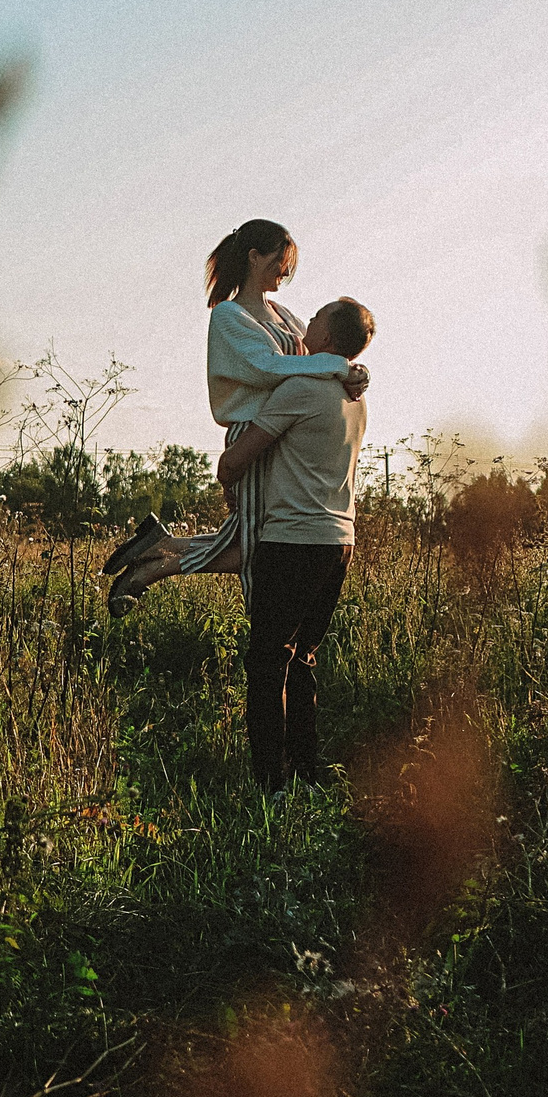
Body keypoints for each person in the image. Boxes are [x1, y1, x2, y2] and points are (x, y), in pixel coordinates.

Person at [108, 295, 375, 789]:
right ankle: (307, 776)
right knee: (302, 660)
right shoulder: (355, 395)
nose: (305, 323)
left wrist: (230, 478)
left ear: (329, 339)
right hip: (340, 541)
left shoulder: (302, 389)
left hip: (292, 539)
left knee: (268, 662)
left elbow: (236, 461)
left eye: (315, 320)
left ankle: (270, 785)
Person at [102, 219, 366, 610]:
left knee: (258, 540)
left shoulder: (285, 316)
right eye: (281, 260)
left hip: (285, 435)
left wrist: (351, 370)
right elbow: (266, 367)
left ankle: (160, 551)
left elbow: (316, 362)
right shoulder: (228, 316)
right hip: (256, 432)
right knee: (259, 545)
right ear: (254, 257)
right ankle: (156, 564)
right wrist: (340, 368)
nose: (287, 271)